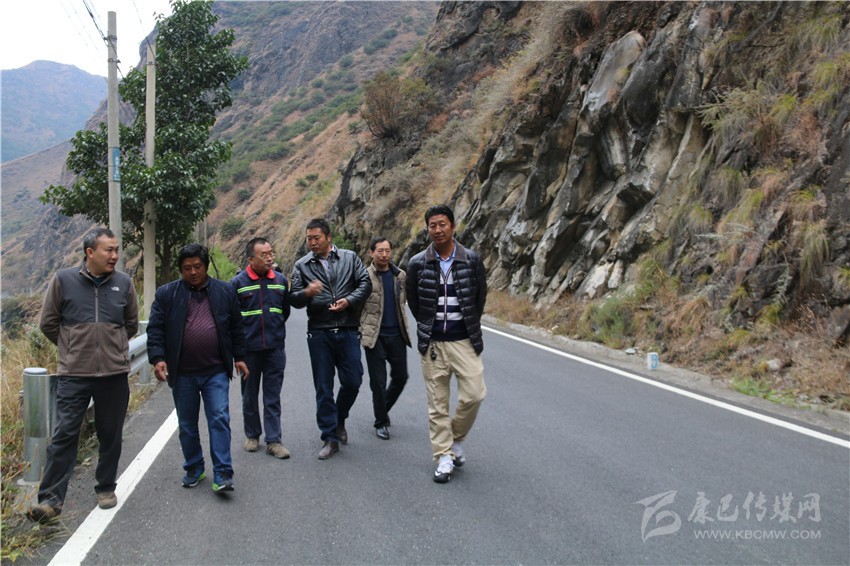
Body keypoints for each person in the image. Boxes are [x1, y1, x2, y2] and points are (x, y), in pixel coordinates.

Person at [28, 228, 139, 523]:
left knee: (110, 434)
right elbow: (48, 324)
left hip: (113, 374)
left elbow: (130, 325)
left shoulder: (124, 283)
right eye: (108, 250)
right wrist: (73, 349)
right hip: (74, 374)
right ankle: (50, 500)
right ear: (90, 252)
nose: (115, 256)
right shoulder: (63, 280)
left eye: (117, 250)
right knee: (64, 434)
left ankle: (106, 487)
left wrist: (112, 348)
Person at [147, 243, 248, 494]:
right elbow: (155, 328)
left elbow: (236, 327)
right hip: (183, 373)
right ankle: (194, 466)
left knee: (219, 418)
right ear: (180, 269)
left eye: (197, 266)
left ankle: (223, 473)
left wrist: (240, 356)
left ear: (206, 266)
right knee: (187, 424)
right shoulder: (167, 294)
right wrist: (158, 358)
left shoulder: (225, 291)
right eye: (187, 268)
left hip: (215, 371)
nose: (193, 272)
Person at [406, 205, 487, 483]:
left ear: (453, 226)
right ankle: (443, 456)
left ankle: (455, 439)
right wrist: (429, 328)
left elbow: (479, 299)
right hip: (434, 345)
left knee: (475, 394)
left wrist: (466, 326)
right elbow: (414, 303)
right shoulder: (417, 263)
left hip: (464, 341)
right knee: (437, 405)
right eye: (432, 225)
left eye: (442, 224)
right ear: (427, 229)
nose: (438, 230)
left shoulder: (471, 260)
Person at [289, 218, 371, 459]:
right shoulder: (302, 265)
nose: (312, 243)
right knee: (323, 386)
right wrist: (307, 292)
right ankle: (329, 437)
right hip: (319, 331)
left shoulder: (350, 257)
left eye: (316, 238)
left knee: (353, 380)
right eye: (309, 239)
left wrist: (350, 301)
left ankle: (339, 417)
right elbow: (294, 298)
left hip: (347, 328)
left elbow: (365, 283)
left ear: (328, 237)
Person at [231, 237, 291, 459]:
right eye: (264, 255)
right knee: (249, 395)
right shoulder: (237, 284)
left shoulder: (281, 281)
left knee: (272, 396)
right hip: (249, 351)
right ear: (250, 259)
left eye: (271, 253)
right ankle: (252, 435)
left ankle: (274, 440)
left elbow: (284, 312)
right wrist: (237, 352)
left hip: (275, 349)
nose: (269, 258)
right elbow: (232, 320)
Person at [360, 237, 411, 440]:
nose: (384, 254)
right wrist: (360, 329)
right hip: (375, 337)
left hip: (397, 335)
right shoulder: (364, 277)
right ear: (371, 253)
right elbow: (357, 306)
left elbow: (403, 302)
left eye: (387, 250)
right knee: (378, 383)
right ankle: (381, 422)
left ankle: (382, 409)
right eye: (380, 251)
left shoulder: (400, 276)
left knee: (401, 377)